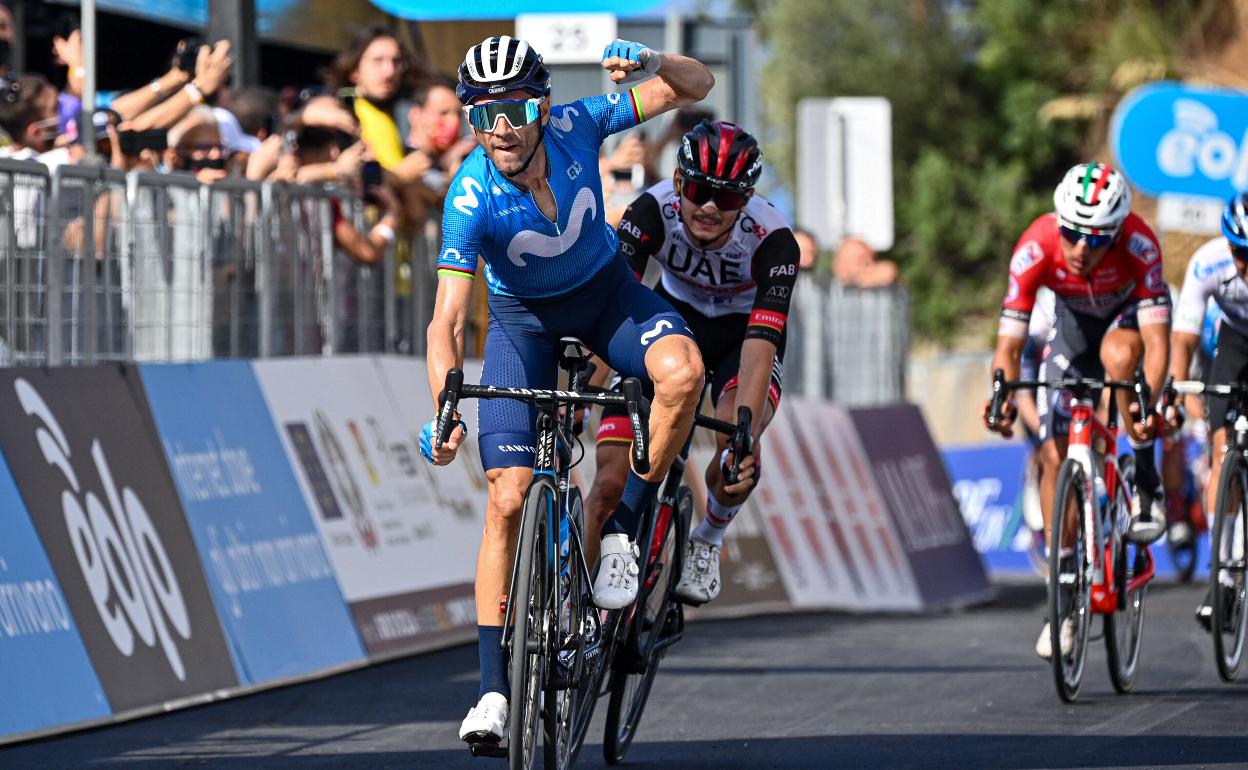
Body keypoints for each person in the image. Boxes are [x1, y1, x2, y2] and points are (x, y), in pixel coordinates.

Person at [418, 34, 713, 748]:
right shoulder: (469, 198)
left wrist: (648, 62)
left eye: (516, 108)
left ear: (541, 105)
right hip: (522, 329)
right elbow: (448, 319)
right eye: (484, 114)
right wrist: (445, 405)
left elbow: (693, 84)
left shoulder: (581, 122)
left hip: (606, 299)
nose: (503, 128)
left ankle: (619, 529)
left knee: (684, 374)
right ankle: (492, 690)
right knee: (509, 495)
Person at [587, 120, 796, 605]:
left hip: (740, 337)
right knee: (610, 483)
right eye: (699, 190)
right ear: (679, 181)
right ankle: (580, 610)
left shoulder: (774, 240)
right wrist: (588, 385)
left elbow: (762, 342)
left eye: (725, 198)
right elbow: (611, 310)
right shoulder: (650, 211)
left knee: (734, 444)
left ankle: (709, 536)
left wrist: (745, 428)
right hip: (666, 319)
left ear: (745, 201)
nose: (707, 207)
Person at [983, 162, 1170, 660]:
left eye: (1098, 238)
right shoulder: (1036, 245)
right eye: (1073, 233)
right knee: (1051, 453)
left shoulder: (1140, 245)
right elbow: (1008, 344)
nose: (1083, 248)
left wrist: (1150, 398)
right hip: (1073, 327)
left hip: (1127, 318)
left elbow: (1157, 341)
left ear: (1119, 233)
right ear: (1057, 220)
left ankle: (1147, 478)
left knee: (1121, 360)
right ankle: (1064, 587)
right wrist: (1000, 394)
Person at [1168, 193, 1248, 631]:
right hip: (1234, 343)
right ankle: (1223, 579)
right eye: (1241, 254)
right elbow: (1183, 338)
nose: (1247, 265)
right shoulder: (1209, 262)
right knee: (1222, 454)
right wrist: (1183, 390)